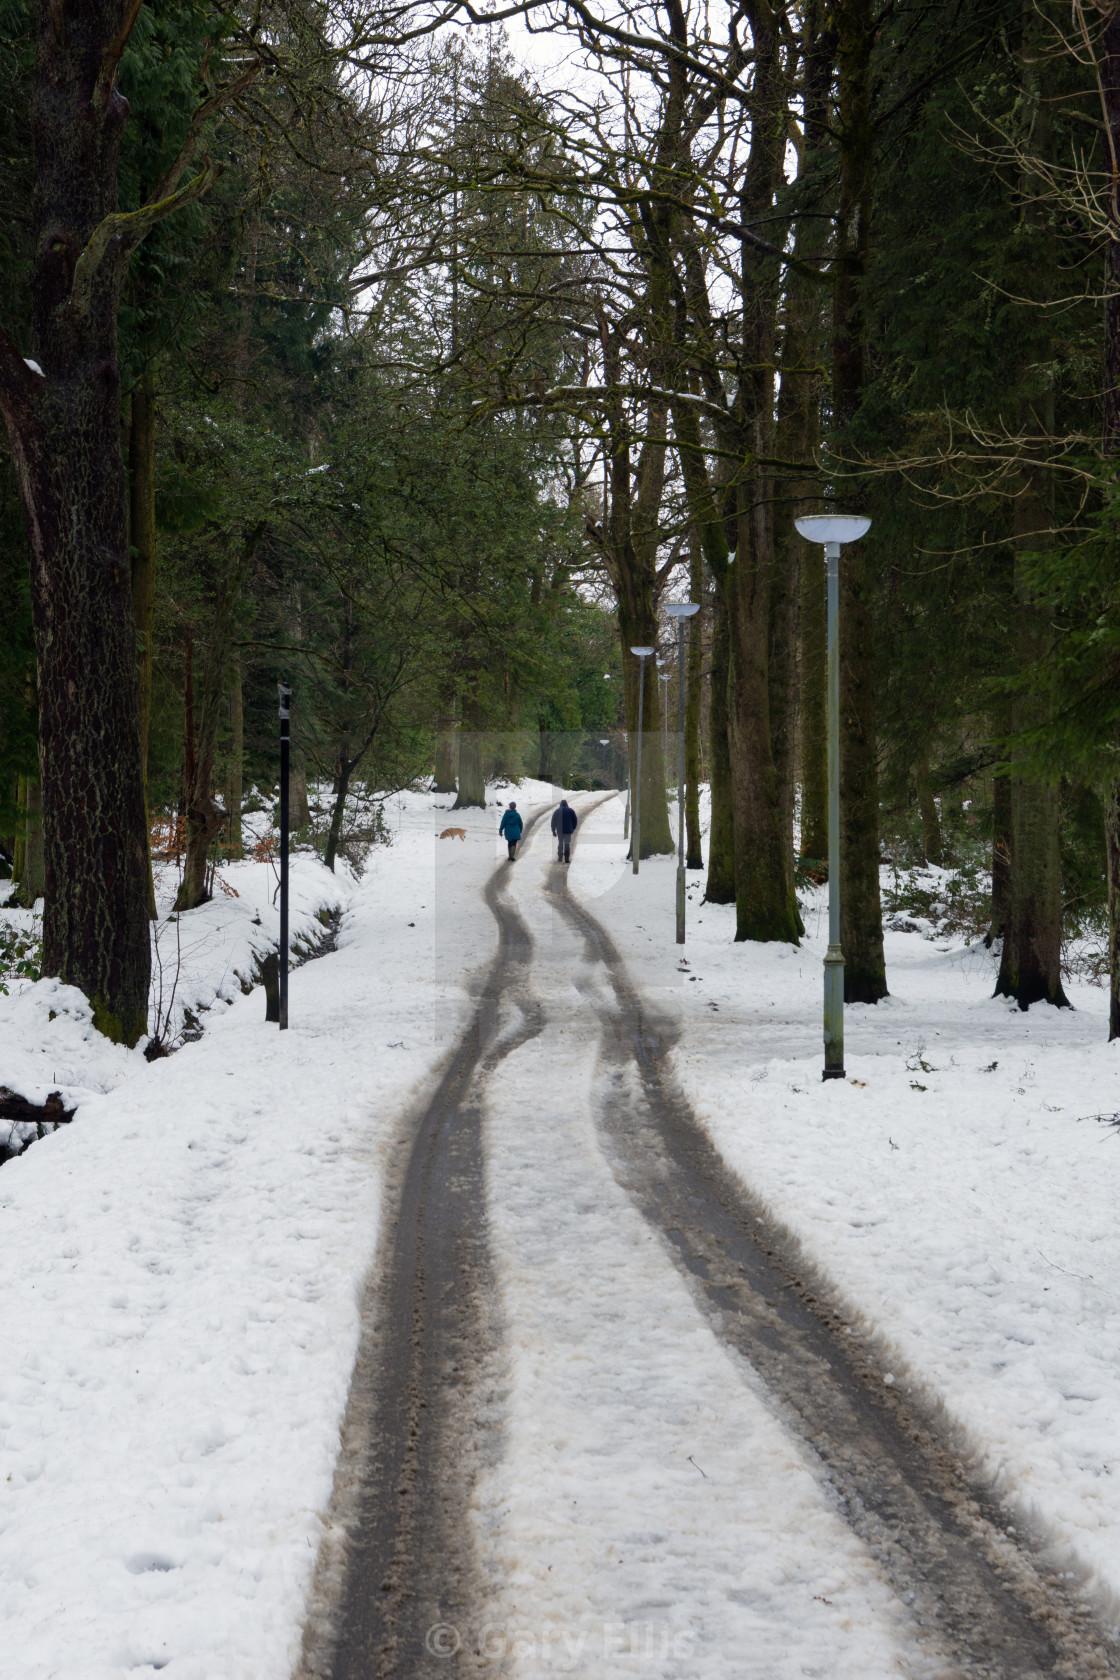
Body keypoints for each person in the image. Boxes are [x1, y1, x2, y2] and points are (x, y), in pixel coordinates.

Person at [551, 797, 578, 863]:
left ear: (560, 804)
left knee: (560, 843)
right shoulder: (571, 810)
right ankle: (566, 858)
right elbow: (575, 820)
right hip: (568, 831)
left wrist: (553, 831)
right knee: (567, 844)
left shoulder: (557, 811)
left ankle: (560, 858)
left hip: (560, 831)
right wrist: (573, 828)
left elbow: (553, 821)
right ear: (566, 804)